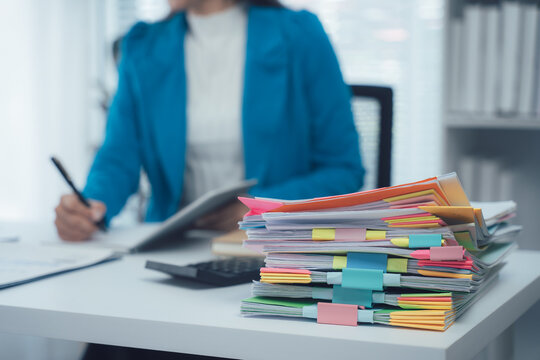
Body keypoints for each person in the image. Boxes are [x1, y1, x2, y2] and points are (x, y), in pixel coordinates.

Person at [54, 0, 364, 242]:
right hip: (173, 248)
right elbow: (118, 159)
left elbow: (343, 169)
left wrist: (258, 207)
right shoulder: (143, 46)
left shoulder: (301, 36)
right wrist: (91, 206)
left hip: (276, 250)